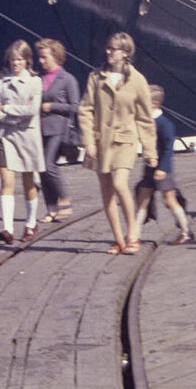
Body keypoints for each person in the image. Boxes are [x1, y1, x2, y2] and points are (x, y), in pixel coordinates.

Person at [78, 31, 157, 255]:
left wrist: (150, 151)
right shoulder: (96, 77)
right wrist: (88, 141)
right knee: (106, 192)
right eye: (108, 48)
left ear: (126, 53)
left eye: (114, 49)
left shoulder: (137, 80)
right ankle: (118, 239)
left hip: (125, 141)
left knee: (120, 184)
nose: (109, 52)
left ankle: (133, 233)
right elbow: (85, 110)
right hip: (101, 142)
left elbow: (145, 118)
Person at [0, 40, 45, 245]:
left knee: (29, 181)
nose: (16, 63)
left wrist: (7, 109)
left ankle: (30, 223)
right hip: (5, 136)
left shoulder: (35, 82)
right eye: (12, 59)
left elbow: (32, 111)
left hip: (28, 137)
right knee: (7, 180)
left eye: (20, 59)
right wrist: (14, 114)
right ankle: (7, 229)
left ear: (27, 60)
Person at [135, 84, 193, 242]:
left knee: (169, 200)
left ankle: (186, 231)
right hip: (149, 167)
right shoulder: (145, 121)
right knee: (142, 199)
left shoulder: (164, 124)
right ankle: (134, 235)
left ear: (154, 104)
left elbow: (168, 149)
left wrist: (163, 168)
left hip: (162, 169)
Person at [35, 37, 80, 222]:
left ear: (55, 56)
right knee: (42, 168)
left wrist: (51, 106)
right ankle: (51, 209)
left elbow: (75, 106)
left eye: (44, 57)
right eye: (39, 57)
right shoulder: (38, 79)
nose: (40, 61)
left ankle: (65, 200)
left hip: (59, 128)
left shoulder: (67, 79)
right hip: (41, 127)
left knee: (48, 164)